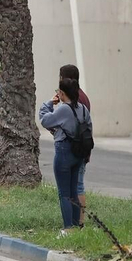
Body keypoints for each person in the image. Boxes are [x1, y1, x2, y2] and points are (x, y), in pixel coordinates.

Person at [40, 78, 92, 235]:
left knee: (64, 193)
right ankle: (76, 226)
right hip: (79, 153)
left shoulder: (63, 109)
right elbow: (89, 128)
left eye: (59, 92)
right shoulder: (83, 109)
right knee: (74, 191)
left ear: (62, 93)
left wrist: (49, 103)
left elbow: (45, 120)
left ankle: (68, 228)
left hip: (64, 151)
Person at [59, 64, 93, 226]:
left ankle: (78, 221)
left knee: (76, 186)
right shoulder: (83, 96)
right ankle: (78, 221)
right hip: (83, 147)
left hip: (74, 148)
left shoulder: (74, 99)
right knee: (77, 185)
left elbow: (54, 121)